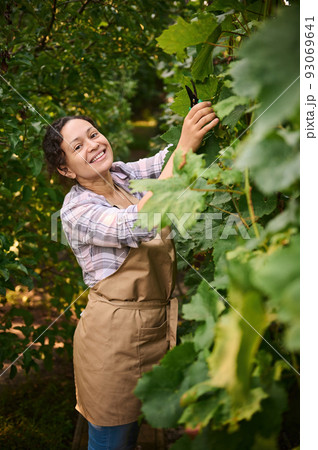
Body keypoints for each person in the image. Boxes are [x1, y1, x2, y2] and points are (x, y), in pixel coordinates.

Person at [42, 101, 219, 450]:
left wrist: (210, 121)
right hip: (113, 343)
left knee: (139, 429)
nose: (93, 145)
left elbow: (170, 159)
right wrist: (185, 146)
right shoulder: (76, 210)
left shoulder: (123, 175)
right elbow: (141, 222)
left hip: (156, 326)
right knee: (113, 439)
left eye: (93, 134)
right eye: (77, 146)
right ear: (65, 170)